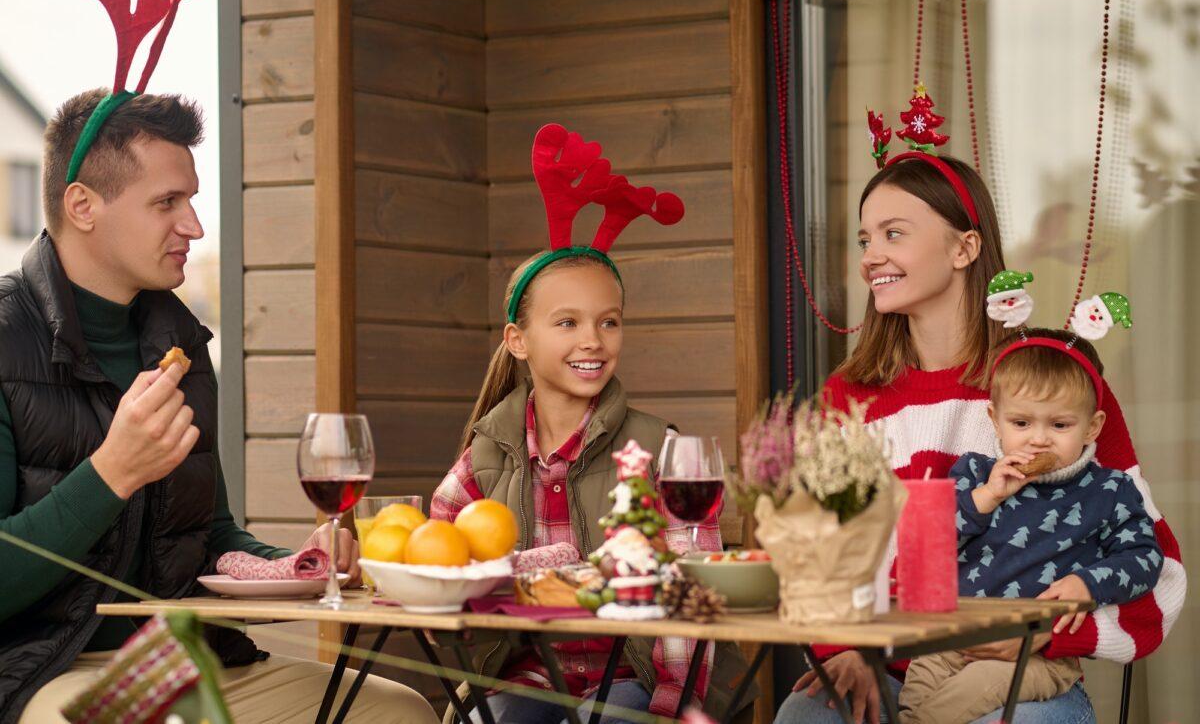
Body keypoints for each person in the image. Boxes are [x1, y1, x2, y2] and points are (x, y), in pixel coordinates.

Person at [0, 88, 438, 724]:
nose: (195, 227)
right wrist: (112, 473)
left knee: (400, 712)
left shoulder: (180, 343)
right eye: (166, 203)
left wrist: (294, 567)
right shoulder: (7, 338)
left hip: (185, 660)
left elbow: (208, 539)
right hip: (42, 671)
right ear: (82, 205)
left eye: (192, 200)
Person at [774, 148, 1185, 724]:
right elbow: (817, 551)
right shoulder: (850, 396)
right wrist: (840, 648)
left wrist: (1049, 637)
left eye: (894, 233)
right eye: (865, 239)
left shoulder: (1056, 389)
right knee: (806, 715)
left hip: (1020, 682)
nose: (872, 256)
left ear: (965, 247)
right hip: (888, 673)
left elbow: (1159, 567)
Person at [430, 124, 754, 724]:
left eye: (609, 322)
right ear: (518, 341)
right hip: (530, 674)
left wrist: (670, 704)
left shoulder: (661, 450)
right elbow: (437, 553)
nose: (593, 341)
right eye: (567, 323)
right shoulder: (488, 451)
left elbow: (688, 599)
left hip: (638, 676)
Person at [898, 328, 1162, 724]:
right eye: (1021, 423)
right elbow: (925, 548)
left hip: (1037, 655)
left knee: (944, 707)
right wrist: (986, 498)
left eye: (1059, 426)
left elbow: (1144, 557)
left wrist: (1089, 584)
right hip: (951, 636)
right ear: (995, 421)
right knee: (914, 700)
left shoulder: (1109, 489)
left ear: (1092, 427)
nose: (1038, 440)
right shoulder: (974, 473)